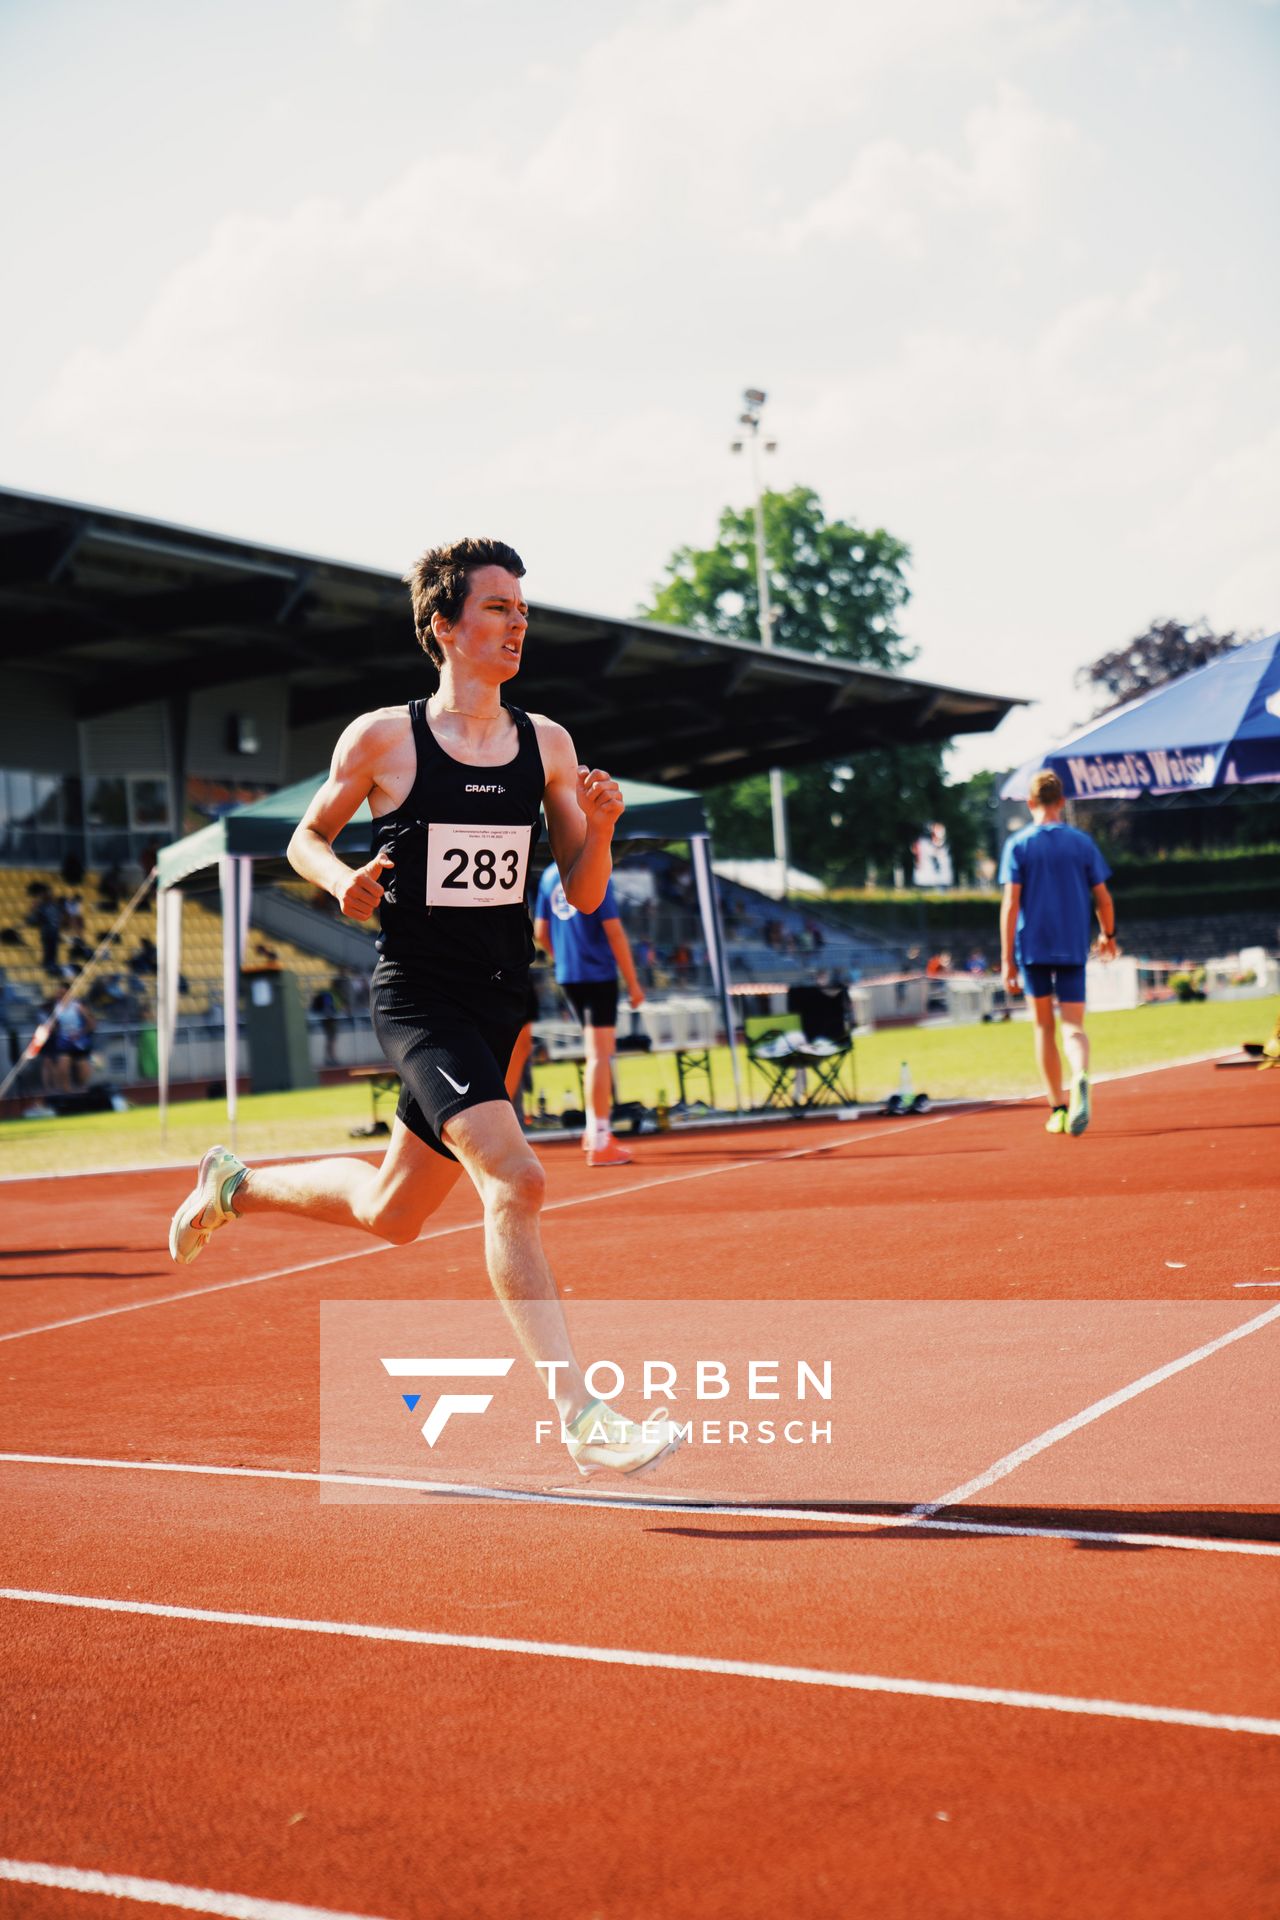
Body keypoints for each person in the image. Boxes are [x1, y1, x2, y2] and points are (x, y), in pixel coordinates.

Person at [168, 536, 680, 1480]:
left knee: (390, 1209)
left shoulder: (548, 745)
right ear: (444, 626)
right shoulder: (383, 738)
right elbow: (306, 837)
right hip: (419, 997)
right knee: (517, 1183)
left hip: (500, 1001)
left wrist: (600, 828)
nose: (517, 624)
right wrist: (342, 884)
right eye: (497, 609)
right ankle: (583, 1416)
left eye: (523, 610)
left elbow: (585, 888)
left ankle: (233, 1187)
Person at [999, 769, 1116, 1135]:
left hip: (1033, 949)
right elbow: (1103, 898)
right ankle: (1080, 1073)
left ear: (1030, 803)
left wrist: (1006, 960)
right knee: (1073, 1027)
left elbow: (1010, 905)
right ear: (1062, 802)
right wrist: (1108, 935)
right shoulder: (1081, 843)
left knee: (1042, 1027)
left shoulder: (1018, 845)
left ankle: (1058, 1109)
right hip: (1071, 946)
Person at [533, 859, 645, 1168]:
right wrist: (634, 983)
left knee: (595, 1052)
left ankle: (592, 1129)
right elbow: (615, 932)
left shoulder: (549, 875)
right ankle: (599, 1135)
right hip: (597, 975)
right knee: (600, 1054)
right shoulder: (596, 871)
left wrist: (563, 959)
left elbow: (540, 931)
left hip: (569, 975)